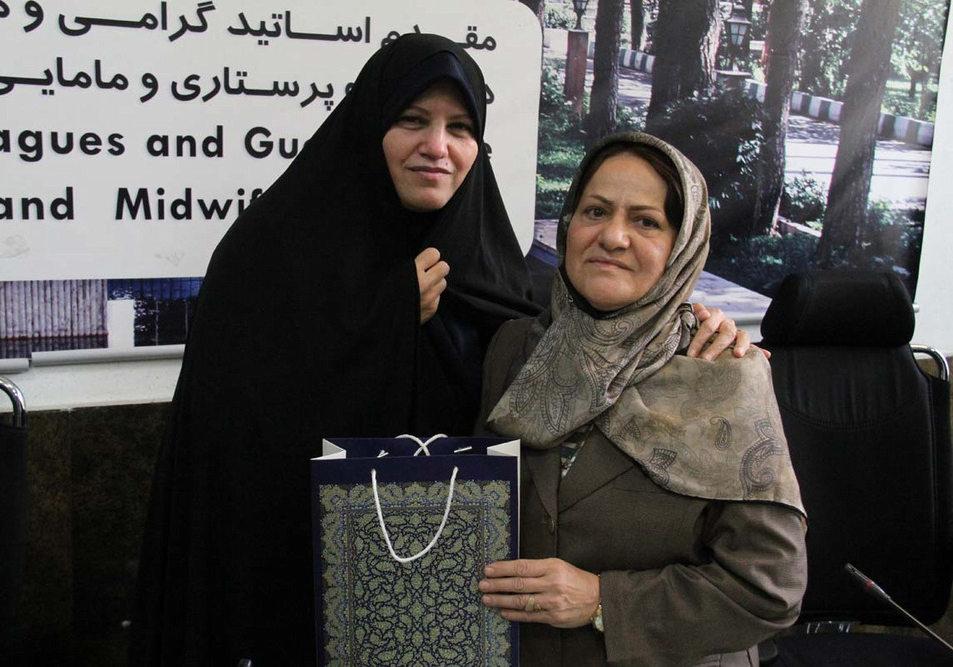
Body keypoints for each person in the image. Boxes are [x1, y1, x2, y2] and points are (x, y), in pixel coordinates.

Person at [129, 35, 754, 665]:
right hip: (290, 585)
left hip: (452, 608)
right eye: (412, 120)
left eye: (460, 127)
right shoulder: (268, 252)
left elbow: (606, 330)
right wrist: (374, 316)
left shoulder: (497, 269)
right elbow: (230, 435)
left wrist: (691, 330)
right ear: (371, 125)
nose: (437, 146)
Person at [476, 133, 807, 667]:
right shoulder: (514, 349)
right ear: (568, 225)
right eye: (596, 211)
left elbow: (770, 589)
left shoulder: (725, 373)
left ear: (682, 246)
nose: (613, 236)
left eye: (646, 221)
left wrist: (603, 602)